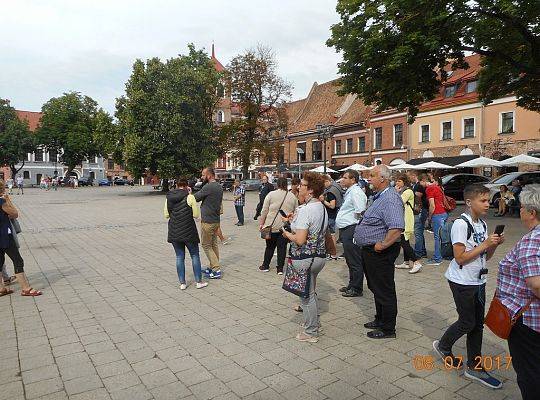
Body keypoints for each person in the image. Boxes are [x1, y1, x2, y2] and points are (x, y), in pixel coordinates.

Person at [433, 184, 504, 389]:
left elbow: (485, 256)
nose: (487, 204)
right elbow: (460, 258)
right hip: (462, 281)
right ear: (469, 202)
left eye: (488, 200)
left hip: (479, 279)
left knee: (477, 324)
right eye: (483, 200)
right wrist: (484, 244)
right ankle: (444, 346)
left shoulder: (482, 224)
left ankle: (475, 365)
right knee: (467, 322)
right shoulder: (461, 225)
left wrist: (492, 245)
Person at [496, 185, 540, 400]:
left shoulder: (532, 241)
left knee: (530, 374)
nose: (518, 210)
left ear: (531, 212)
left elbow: (536, 285)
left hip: (528, 321)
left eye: (521, 207)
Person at [354, 164, 404, 339]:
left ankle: (388, 328)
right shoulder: (379, 196)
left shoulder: (390, 198)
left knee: (384, 289)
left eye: (372, 175)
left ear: (382, 178)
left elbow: (397, 227)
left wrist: (382, 245)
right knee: (376, 287)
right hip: (370, 250)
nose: (369, 178)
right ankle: (380, 319)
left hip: (380, 252)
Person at [281, 172, 328, 343]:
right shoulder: (320, 207)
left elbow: (300, 239)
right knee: (311, 292)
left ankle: (311, 332)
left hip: (305, 258)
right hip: (319, 256)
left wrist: (287, 234)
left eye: (302, 185)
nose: (298, 187)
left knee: (306, 297)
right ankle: (314, 323)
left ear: (310, 191)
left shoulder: (306, 210)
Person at [164, 177, 207, 290]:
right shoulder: (190, 197)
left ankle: (182, 283)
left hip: (174, 231)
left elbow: (166, 215)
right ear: (187, 186)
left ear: (176, 185)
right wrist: (190, 196)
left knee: (179, 256)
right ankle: (198, 281)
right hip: (189, 231)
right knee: (194, 255)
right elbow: (196, 215)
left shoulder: (169, 198)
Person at [0, 181, 42, 296]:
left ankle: (1, 288)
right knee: (17, 260)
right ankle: (25, 288)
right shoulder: (2, 201)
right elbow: (14, 213)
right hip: (4, 235)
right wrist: (7, 200)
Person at [336, 169, 367, 297]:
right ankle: (352, 283)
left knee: (354, 259)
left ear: (353, 179)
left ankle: (357, 287)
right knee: (349, 259)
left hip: (352, 227)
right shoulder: (350, 191)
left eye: (345, 178)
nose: (342, 180)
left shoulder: (356, 192)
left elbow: (361, 210)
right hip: (346, 227)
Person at [258, 177, 297, 274]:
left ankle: (265, 265)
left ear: (277, 184)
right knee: (282, 247)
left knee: (270, 246)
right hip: (285, 226)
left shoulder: (271, 195)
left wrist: (261, 223)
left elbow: (264, 210)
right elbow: (296, 212)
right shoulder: (292, 196)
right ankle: (280, 268)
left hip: (272, 225)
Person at [194, 166, 224, 279]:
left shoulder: (209, 187)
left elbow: (196, 198)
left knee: (206, 245)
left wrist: (188, 194)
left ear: (209, 175)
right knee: (213, 244)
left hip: (208, 221)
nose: (202, 177)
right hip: (216, 220)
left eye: (203, 175)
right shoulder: (218, 186)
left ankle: (216, 269)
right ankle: (213, 266)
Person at [394, 174, 422, 274]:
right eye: (396, 181)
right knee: (405, 241)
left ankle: (416, 262)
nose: (397, 183)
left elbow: (398, 202)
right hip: (403, 219)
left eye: (399, 181)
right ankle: (406, 263)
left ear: (404, 182)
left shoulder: (408, 191)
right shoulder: (403, 191)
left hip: (406, 220)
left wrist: (396, 192)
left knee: (404, 242)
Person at [426, 176, 448, 265]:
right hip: (444, 213)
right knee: (442, 236)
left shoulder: (430, 189)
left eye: (432, 181)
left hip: (437, 214)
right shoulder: (440, 188)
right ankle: (442, 255)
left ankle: (437, 258)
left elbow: (432, 205)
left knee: (437, 237)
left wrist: (429, 217)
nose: (430, 183)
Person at [321, 175, 342, 260]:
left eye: (323, 183)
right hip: (334, 214)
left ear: (327, 181)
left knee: (331, 234)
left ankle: (332, 253)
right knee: (331, 234)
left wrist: (323, 201)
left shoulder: (330, 191)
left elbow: (332, 206)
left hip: (331, 215)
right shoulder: (336, 186)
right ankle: (332, 253)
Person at [413, 173, 429, 259]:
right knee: (420, 231)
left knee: (418, 231)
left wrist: (417, 207)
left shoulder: (419, 186)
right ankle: (422, 251)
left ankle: (418, 252)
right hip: (424, 210)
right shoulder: (423, 186)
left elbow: (418, 197)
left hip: (421, 211)